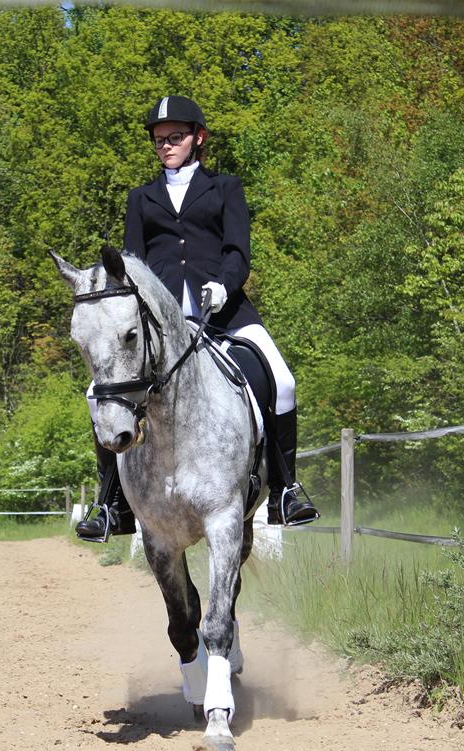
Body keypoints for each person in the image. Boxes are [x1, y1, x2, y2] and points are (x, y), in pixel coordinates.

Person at [75, 95, 318, 541]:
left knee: (283, 381)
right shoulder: (141, 198)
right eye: (159, 140)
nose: (166, 146)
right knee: (98, 393)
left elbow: (238, 251)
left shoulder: (225, 188)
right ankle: (112, 504)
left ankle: (286, 489)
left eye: (175, 137)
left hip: (226, 313)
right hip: (161, 327)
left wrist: (224, 284)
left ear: (198, 138)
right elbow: (132, 265)